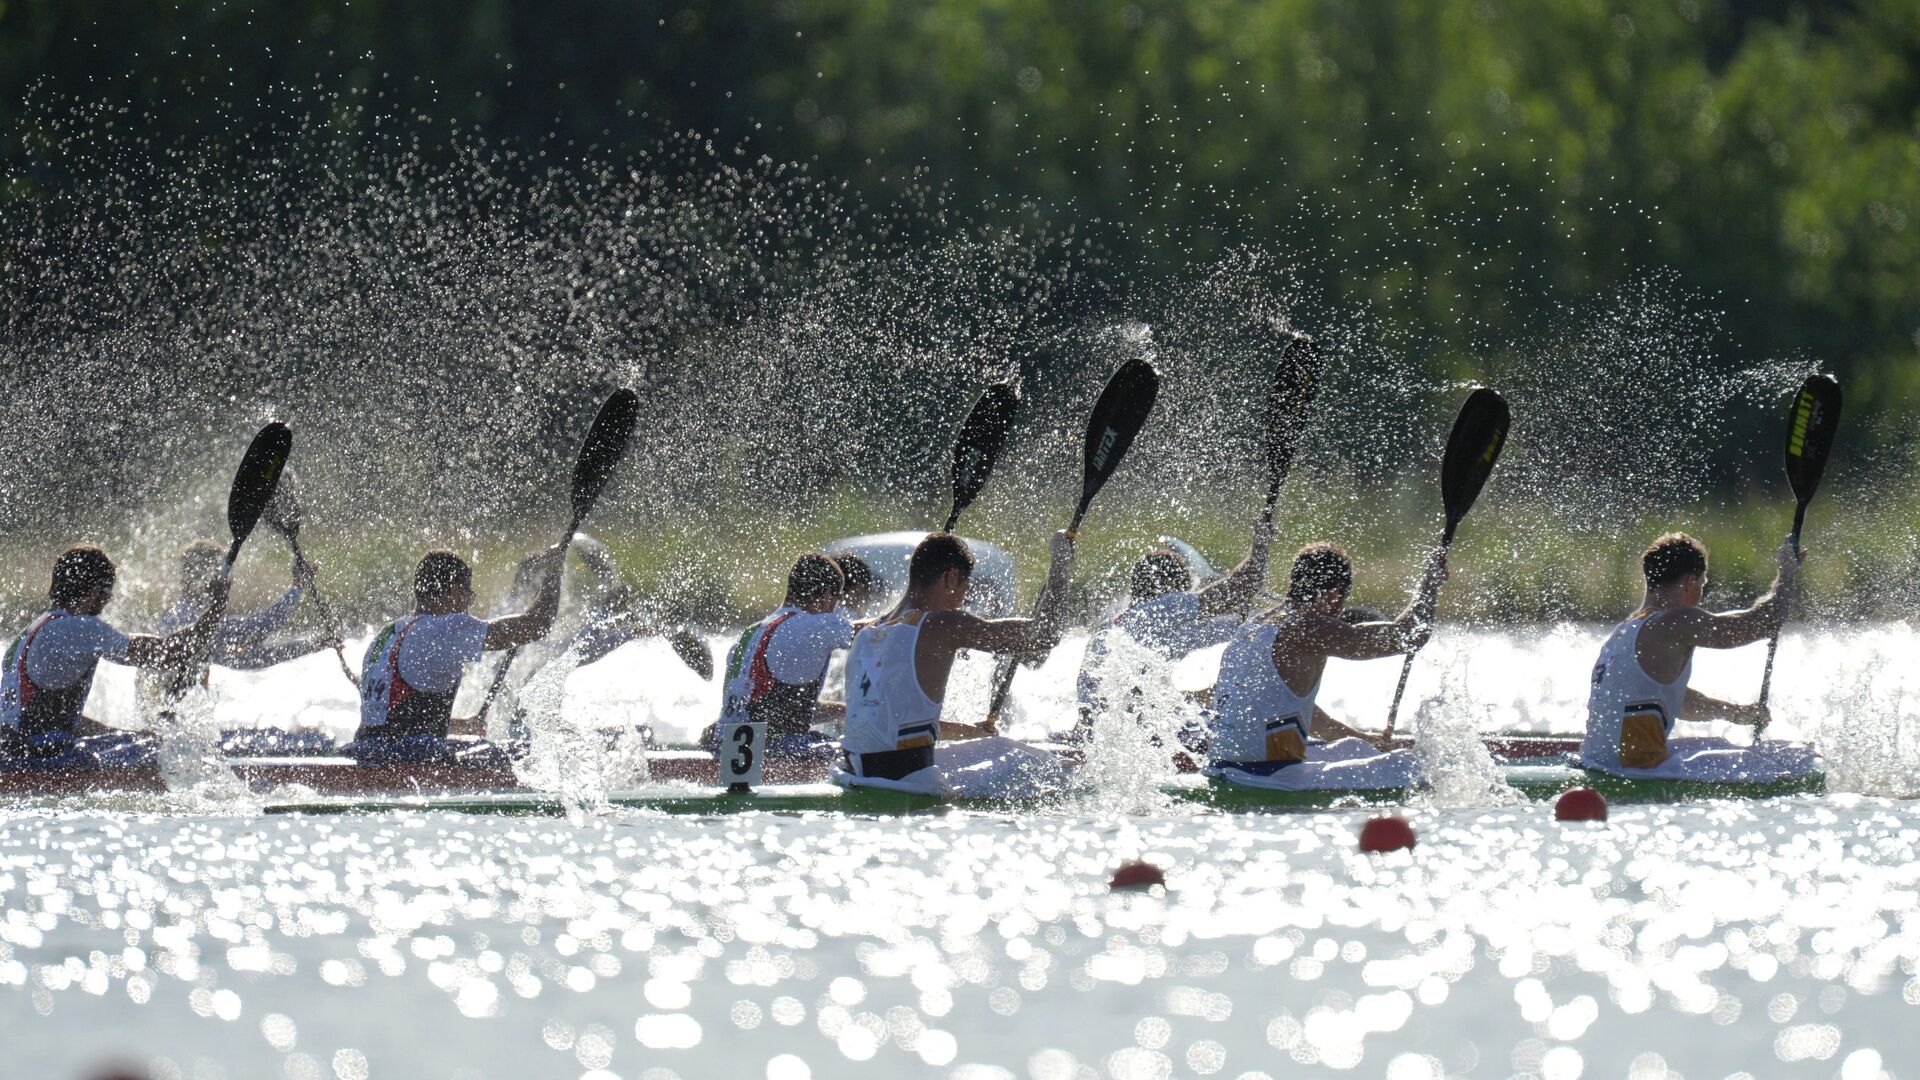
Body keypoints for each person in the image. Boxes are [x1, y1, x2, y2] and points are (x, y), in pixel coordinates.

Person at [838, 530, 1075, 797]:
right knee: (1065, 765)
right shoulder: (943, 624)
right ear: (951, 577)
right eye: (963, 589)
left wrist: (969, 732)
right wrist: (1059, 567)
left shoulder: (865, 630)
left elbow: (891, 719)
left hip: (853, 770)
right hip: (909, 782)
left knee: (1002, 747)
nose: (962, 600)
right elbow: (1045, 634)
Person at [1206, 542, 1446, 791]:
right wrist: (1429, 585)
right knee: (1422, 763)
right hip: (1268, 777)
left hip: (1223, 767)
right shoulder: (1307, 627)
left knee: (1355, 747)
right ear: (1334, 595)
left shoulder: (1253, 627)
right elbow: (1408, 635)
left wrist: (1365, 739)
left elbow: (1287, 711)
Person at [1582, 533, 1814, 782]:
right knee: (1797, 760)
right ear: (1689, 582)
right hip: (1635, 769)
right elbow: (1766, 621)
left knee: (1735, 747)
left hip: (1599, 761)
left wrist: (1736, 713)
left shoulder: (1625, 630)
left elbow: (1680, 702)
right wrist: (1786, 573)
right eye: (1702, 585)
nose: (1700, 593)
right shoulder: (1675, 621)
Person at [0, 545, 228, 768]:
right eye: (107, 592)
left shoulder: (34, 629)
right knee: (160, 750)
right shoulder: (80, 627)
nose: (108, 600)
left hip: (14, 752)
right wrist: (217, 606)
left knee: (137, 739)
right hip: (38, 759)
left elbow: (48, 721)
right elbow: (166, 654)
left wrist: (120, 734)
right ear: (95, 591)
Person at [347, 546, 563, 765]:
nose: (468, 605)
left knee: (480, 744)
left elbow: (395, 721)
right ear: (454, 591)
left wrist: (460, 725)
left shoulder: (388, 633)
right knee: (515, 755)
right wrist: (554, 574)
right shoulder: (444, 628)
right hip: (406, 759)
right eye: (468, 595)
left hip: (365, 751)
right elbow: (536, 625)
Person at [1074, 518, 1274, 744]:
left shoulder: (1125, 618)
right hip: (1132, 735)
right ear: (1171, 590)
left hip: (1094, 733)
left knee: (1206, 695)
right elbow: (1243, 586)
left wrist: (1250, 616)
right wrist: (1260, 545)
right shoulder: (1165, 608)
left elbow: (1234, 626)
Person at [138, 540, 343, 750]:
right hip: (168, 734)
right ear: (207, 579)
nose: (229, 581)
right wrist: (298, 589)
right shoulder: (194, 621)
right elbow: (256, 642)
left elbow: (251, 648)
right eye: (223, 575)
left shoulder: (172, 617)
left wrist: (313, 644)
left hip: (165, 726)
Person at [711, 552, 856, 765]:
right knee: (850, 752)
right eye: (836, 599)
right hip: (771, 754)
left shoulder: (748, 635)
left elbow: (776, 710)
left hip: (724, 749)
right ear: (826, 595)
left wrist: (843, 711)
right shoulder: (813, 625)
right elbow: (871, 633)